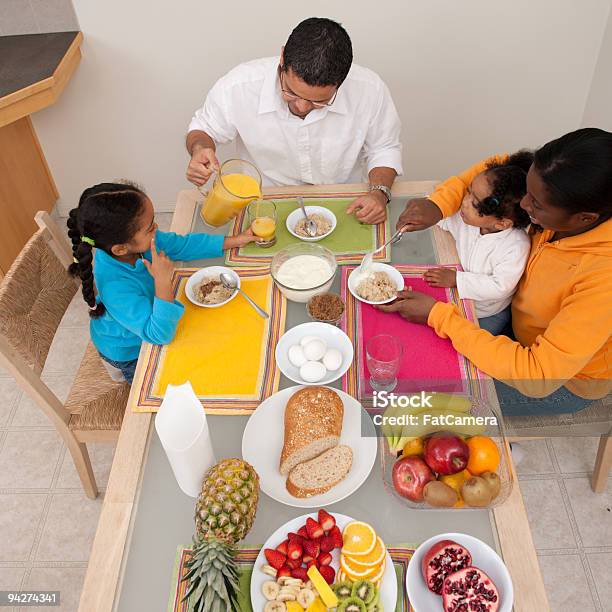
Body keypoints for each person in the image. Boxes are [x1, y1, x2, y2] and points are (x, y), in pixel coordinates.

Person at [380, 128, 612, 416]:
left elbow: (538, 376)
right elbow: (491, 173)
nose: (524, 206)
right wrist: (439, 205)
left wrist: (438, 315)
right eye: (527, 190)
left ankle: (499, 443)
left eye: (536, 204)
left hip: (560, 382)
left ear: (585, 218)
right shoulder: (552, 189)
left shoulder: (603, 278)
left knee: (420, 400)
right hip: (514, 326)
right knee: (415, 353)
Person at [185, 17, 402, 225]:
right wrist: (199, 149)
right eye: (291, 92)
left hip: (345, 199)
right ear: (282, 58)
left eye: (319, 102)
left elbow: (383, 148)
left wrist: (380, 193)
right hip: (265, 200)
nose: (302, 107)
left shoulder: (369, 89)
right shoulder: (239, 86)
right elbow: (204, 129)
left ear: (341, 82)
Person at [67, 182, 258, 383]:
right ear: (120, 249)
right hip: (129, 351)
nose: (156, 229)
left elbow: (181, 245)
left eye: (153, 221)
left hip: (148, 319)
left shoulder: (139, 243)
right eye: (150, 228)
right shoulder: (115, 288)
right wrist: (163, 282)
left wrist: (235, 241)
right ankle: (120, 377)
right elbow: (158, 335)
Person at [424, 151, 532, 335]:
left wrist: (457, 279)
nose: (465, 202)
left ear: (502, 223)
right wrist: (429, 213)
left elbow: (500, 286)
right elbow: (446, 220)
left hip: (487, 312)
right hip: (459, 297)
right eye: (469, 191)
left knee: (456, 345)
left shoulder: (516, 246)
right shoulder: (468, 220)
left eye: (475, 203)